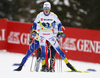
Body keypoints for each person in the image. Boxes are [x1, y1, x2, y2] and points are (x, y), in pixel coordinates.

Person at [33, 2, 77, 72]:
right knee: (43, 50)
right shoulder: (40, 15)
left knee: (59, 50)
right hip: (42, 35)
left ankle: (69, 65)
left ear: (50, 8)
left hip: (50, 35)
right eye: (45, 8)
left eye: (47, 8)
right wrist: (34, 30)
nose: (46, 10)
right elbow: (35, 23)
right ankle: (43, 66)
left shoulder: (53, 15)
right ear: (43, 8)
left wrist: (59, 32)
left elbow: (59, 23)